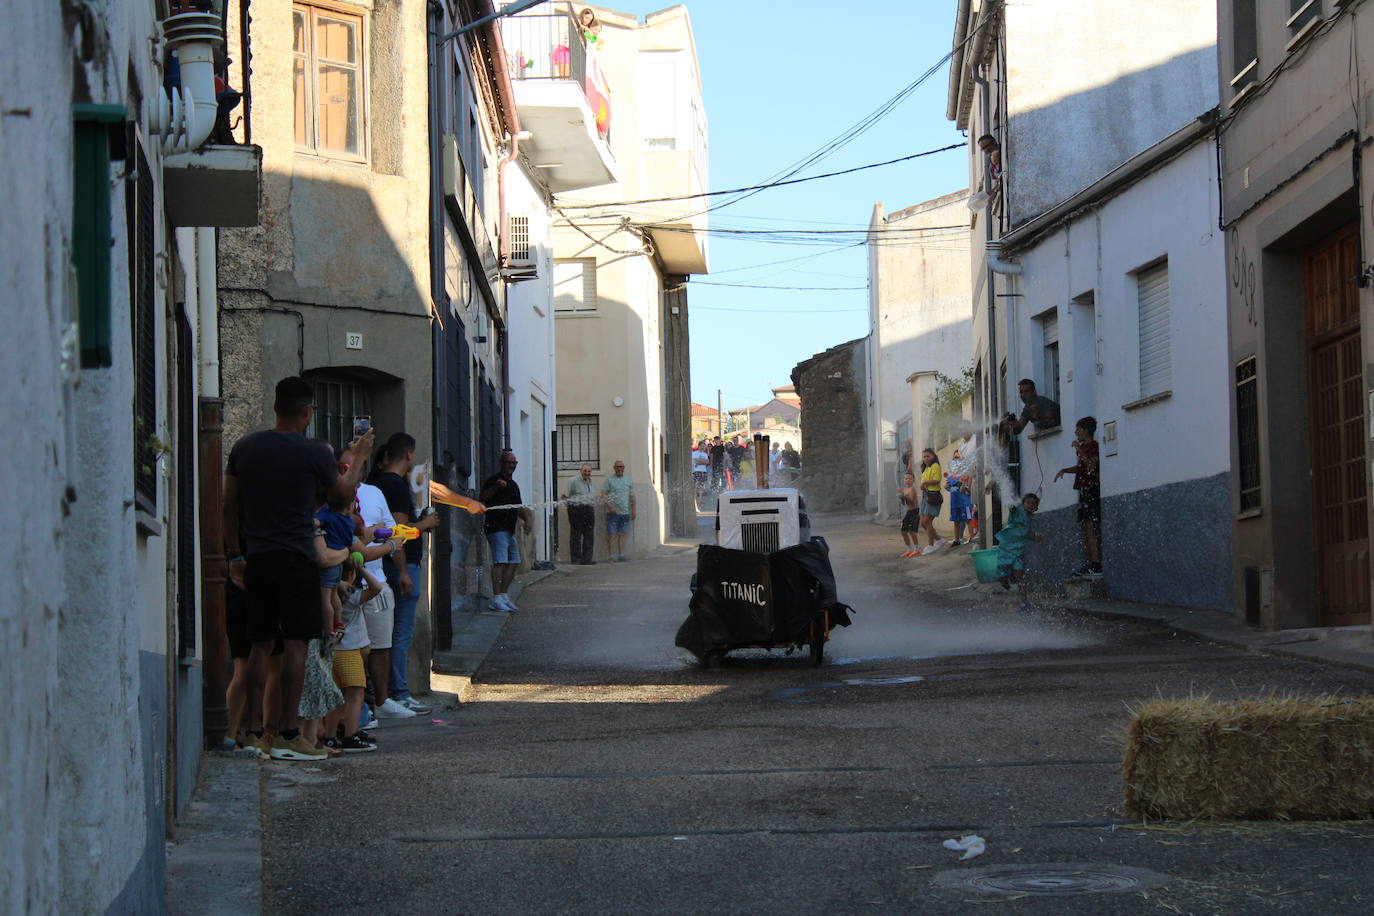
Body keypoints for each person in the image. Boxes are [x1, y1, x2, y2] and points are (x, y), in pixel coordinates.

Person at [223, 376, 373, 762]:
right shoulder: (314, 453)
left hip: (256, 556)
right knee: (296, 645)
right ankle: (287, 733)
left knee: (259, 645)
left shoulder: (245, 447)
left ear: (275, 407)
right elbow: (342, 495)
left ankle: (254, 732)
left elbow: (227, 506)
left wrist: (233, 557)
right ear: (307, 414)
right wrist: (357, 458)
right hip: (298, 557)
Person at [368, 432, 439, 715]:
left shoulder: (377, 483)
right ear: (408, 455)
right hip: (401, 566)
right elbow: (397, 532)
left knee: (388, 634)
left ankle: (387, 693)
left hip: (389, 566)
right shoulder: (394, 486)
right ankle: (398, 693)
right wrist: (424, 524)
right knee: (399, 633)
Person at [354, 474, 402, 727]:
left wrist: (387, 538)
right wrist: (387, 545)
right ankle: (359, 707)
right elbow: (354, 548)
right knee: (357, 650)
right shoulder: (331, 495)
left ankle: (379, 702)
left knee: (379, 645)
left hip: (376, 580)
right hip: (352, 585)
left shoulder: (373, 492)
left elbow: (393, 530)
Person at [324, 558, 382, 753]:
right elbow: (376, 587)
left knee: (338, 698)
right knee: (356, 693)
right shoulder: (351, 596)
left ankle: (330, 736)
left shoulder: (330, 596)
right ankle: (350, 735)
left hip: (334, 651)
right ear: (350, 576)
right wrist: (362, 569)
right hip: (349, 651)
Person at [480, 450, 533, 611]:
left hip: (509, 530)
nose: (511, 466)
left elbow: (518, 507)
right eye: (508, 462)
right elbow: (483, 498)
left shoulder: (513, 485)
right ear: (501, 463)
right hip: (496, 529)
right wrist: (496, 487)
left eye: (513, 463)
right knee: (500, 562)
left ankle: (503, 595)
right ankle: (496, 598)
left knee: (514, 561)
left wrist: (528, 519)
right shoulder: (493, 480)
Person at [1055, 416, 1103, 579]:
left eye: (1078, 429)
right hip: (1083, 489)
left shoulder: (1093, 446)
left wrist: (1079, 449)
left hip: (1091, 489)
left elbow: (1090, 466)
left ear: (1086, 430)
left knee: (1090, 526)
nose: (1076, 432)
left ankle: (1095, 564)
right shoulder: (1085, 448)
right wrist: (1065, 470)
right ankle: (1090, 563)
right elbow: (1081, 467)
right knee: (1084, 527)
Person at [996, 493, 1042, 591]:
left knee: (1019, 574)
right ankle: (1004, 579)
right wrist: (1012, 501)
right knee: (1003, 572)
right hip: (1006, 549)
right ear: (1022, 504)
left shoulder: (1030, 520)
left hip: (1018, 551)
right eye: (1028, 503)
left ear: (1036, 508)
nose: (1030, 505)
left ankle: (1023, 596)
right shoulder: (1017, 512)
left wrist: (1037, 538)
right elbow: (1012, 507)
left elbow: (1026, 534)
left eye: (1033, 504)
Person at [947, 422, 977, 546]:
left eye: (964, 430)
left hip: (975, 476)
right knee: (959, 517)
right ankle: (958, 538)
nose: (962, 433)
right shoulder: (961, 444)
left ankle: (973, 535)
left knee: (973, 509)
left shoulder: (976, 439)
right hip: (966, 479)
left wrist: (966, 485)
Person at [563, 464, 597, 565]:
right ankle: (576, 559)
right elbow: (565, 496)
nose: (587, 473)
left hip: (589, 509)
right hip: (576, 509)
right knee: (576, 535)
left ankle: (587, 559)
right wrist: (570, 508)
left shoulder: (591, 482)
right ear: (580, 471)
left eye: (589, 471)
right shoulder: (572, 481)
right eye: (585, 471)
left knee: (589, 535)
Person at [602, 459, 636, 561]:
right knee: (611, 534)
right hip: (612, 513)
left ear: (624, 468)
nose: (619, 469)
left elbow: (633, 496)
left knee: (622, 534)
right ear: (614, 468)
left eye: (621, 467)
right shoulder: (609, 480)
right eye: (617, 467)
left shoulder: (628, 480)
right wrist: (610, 506)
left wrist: (634, 510)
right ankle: (611, 556)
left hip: (625, 512)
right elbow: (603, 495)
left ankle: (621, 555)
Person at [917, 448, 945, 551]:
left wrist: (925, 483)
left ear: (933, 456)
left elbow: (937, 480)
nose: (926, 458)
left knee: (927, 521)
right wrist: (923, 486)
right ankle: (939, 540)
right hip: (925, 495)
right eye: (924, 457)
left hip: (933, 496)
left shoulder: (935, 466)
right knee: (923, 523)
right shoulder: (926, 468)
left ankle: (931, 545)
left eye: (928, 456)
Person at [898, 472, 922, 557]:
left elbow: (911, 500)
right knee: (903, 531)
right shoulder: (905, 489)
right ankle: (909, 549)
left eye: (910, 478)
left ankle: (917, 548)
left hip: (914, 511)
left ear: (913, 480)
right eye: (906, 479)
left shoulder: (912, 489)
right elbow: (905, 503)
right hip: (909, 512)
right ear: (904, 480)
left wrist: (904, 497)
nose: (907, 480)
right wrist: (901, 498)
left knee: (912, 531)